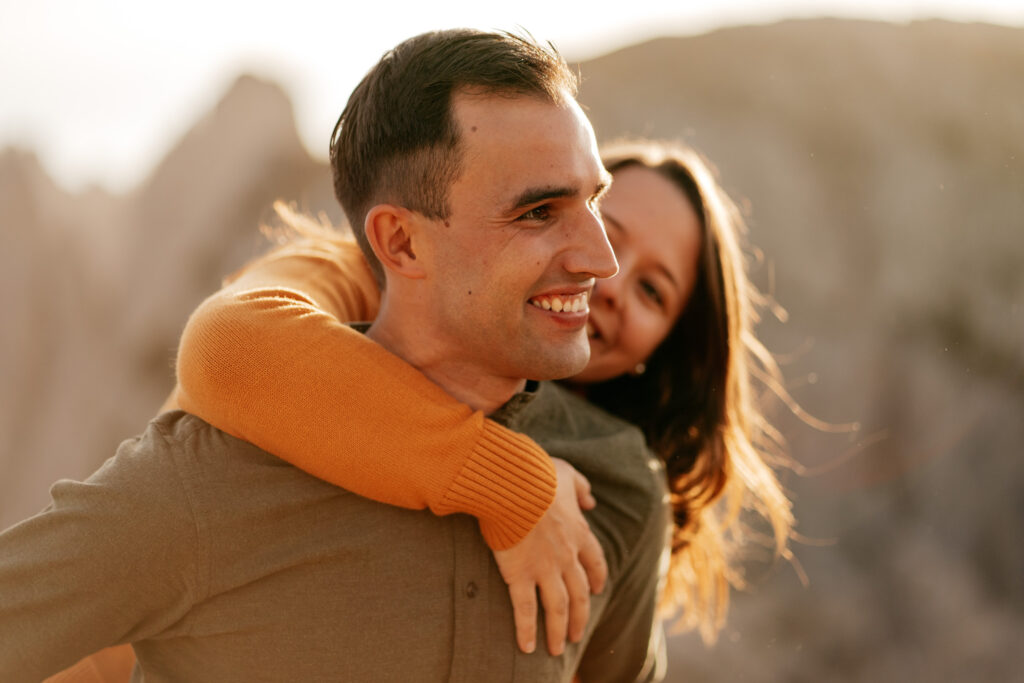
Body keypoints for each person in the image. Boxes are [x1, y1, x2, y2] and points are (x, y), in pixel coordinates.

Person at [0, 28, 672, 683]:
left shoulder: (617, 485)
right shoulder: (204, 484)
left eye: (593, 201)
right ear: (401, 244)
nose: (601, 262)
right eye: (537, 212)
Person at [49, 136, 797, 682]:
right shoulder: (363, 276)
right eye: (604, 235)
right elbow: (228, 347)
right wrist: (513, 483)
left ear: (660, 350)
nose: (607, 279)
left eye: (653, 291)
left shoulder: (618, 488)